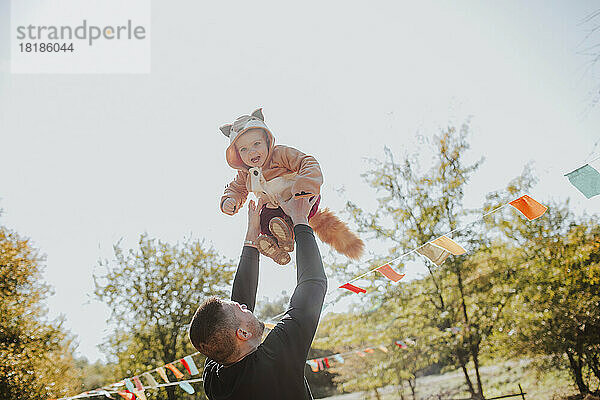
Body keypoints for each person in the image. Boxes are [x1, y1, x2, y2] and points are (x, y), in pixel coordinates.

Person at [189, 194, 327, 399]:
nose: (245, 306)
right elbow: (313, 284)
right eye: (240, 308)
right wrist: (300, 220)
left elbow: (234, 312)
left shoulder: (217, 380)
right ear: (243, 334)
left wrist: (252, 236)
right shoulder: (273, 359)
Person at [218, 107, 363, 265]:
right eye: (244, 149)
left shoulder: (280, 154)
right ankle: (276, 245)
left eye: (256, 144)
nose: (251, 152)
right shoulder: (245, 173)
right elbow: (236, 189)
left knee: (289, 214)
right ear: (238, 155)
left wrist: (305, 185)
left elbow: (307, 162)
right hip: (274, 209)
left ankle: (285, 232)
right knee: (263, 220)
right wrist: (229, 200)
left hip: (300, 197)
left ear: (267, 142)